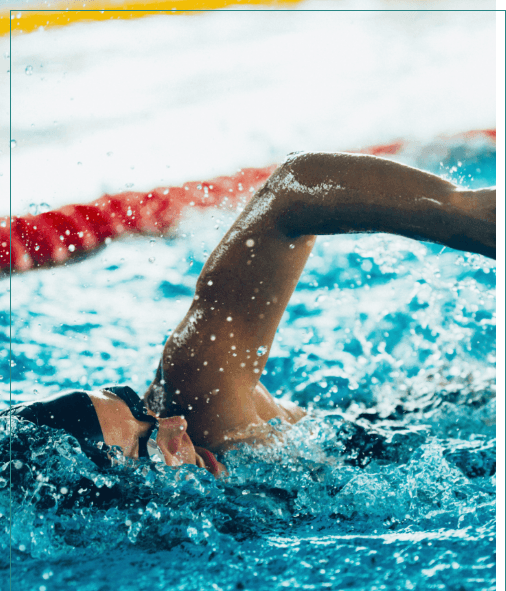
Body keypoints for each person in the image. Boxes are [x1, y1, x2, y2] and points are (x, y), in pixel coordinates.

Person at [2, 151, 496, 479]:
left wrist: (462, 213)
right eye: (149, 446)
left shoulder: (199, 400)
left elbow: (294, 193)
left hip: (417, 434)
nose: (173, 426)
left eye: (141, 409)